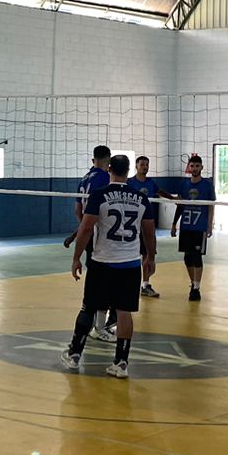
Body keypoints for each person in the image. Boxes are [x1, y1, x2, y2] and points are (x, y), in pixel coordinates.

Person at [63, 156, 157, 378]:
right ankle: (121, 363)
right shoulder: (141, 198)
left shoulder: (99, 195)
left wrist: (76, 257)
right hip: (130, 263)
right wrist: (151, 257)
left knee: (89, 307)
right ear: (129, 171)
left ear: (110, 169)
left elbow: (86, 228)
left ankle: (74, 355)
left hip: (103, 262)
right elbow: (149, 231)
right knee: (124, 312)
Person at [65, 145, 115, 340]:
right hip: (101, 236)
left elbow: (77, 210)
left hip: (89, 234)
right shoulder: (105, 178)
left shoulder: (84, 178)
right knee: (104, 280)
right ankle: (100, 327)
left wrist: (83, 228)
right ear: (108, 160)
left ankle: (95, 324)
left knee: (95, 278)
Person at [168, 154, 215, 302]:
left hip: (199, 227)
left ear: (202, 167)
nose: (194, 168)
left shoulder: (207, 185)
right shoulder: (184, 184)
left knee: (196, 257)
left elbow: (211, 206)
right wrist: (174, 224)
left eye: (197, 166)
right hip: (186, 226)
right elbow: (180, 205)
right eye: (192, 166)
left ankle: (196, 288)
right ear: (189, 167)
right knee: (187, 258)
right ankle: (193, 283)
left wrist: (210, 225)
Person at [127, 156, 159, 298]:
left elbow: (159, 192)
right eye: (142, 164)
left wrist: (174, 199)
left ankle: (145, 285)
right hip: (132, 225)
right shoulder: (129, 183)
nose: (145, 167)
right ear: (136, 166)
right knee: (130, 255)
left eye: (147, 164)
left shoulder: (151, 183)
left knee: (147, 254)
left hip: (147, 225)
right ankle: (128, 284)